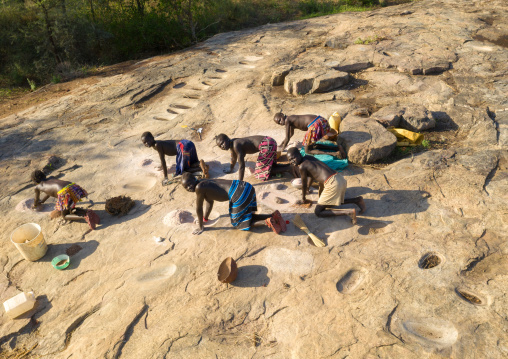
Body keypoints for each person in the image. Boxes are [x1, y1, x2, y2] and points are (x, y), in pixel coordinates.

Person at [181, 172, 287, 235]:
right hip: (246, 186)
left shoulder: (199, 188)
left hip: (238, 193)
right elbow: (209, 202)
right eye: (186, 187)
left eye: (190, 184)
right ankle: (272, 216)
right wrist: (205, 219)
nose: (190, 188)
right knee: (248, 216)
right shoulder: (204, 183)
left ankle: (267, 222)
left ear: (195, 179)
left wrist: (200, 227)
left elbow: (198, 208)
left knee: (238, 223)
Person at [286, 147, 365, 224]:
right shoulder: (308, 157)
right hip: (339, 177)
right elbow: (311, 176)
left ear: (299, 154)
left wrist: (303, 198)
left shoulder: (302, 166)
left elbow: (304, 184)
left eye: (293, 158)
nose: (292, 161)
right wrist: (307, 189)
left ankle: (349, 212)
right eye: (290, 160)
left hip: (332, 183)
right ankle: (357, 200)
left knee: (318, 211)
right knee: (329, 202)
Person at [30, 170, 100, 229]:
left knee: (64, 216)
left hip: (64, 193)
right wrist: (42, 201)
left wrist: (35, 205)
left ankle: (85, 217)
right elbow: (50, 192)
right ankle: (87, 212)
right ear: (43, 175)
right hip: (72, 187)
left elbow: (36, 199)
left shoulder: (37, 187)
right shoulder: (51, 177)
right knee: (70, 208)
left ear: (35, 181)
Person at [215, 134, 293, 181]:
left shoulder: (236, 145)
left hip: (266, 145)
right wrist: (230, 169)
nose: (222, 146)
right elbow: (233, 158)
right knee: (270, 166)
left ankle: (289, 168)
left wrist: (240, 182)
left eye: (222, 143)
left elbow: (241, 166)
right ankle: (289, 166)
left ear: (227, 139)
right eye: (220, 146)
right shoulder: (233, 143)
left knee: (260, 174)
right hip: (269, 141)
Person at [141, 131, 209, 185]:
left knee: (182, 171)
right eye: (144, 143)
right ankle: (200, 164)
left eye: (147, 141)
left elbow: (163, 161)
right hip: (188, 143)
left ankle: (201, 168)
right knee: (190, 163)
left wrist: (165, 178)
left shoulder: (157, 145)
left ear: (152, 138)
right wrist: (161, 166)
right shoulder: (158, 143)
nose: (146, 143)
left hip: (182, 147)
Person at [273, 112, 346, 158]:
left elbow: (287, 138)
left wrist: (282, 150)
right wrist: (281, 144)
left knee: (307, 151)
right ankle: (337, 148)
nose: (280, 122)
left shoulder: (287, 120)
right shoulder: (290, 119)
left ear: (282, 114)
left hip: (315, 125)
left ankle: (335, 154)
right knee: (313, 146)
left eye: (280, 120)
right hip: (320, 120)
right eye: (278, 123)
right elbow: (290, 134)